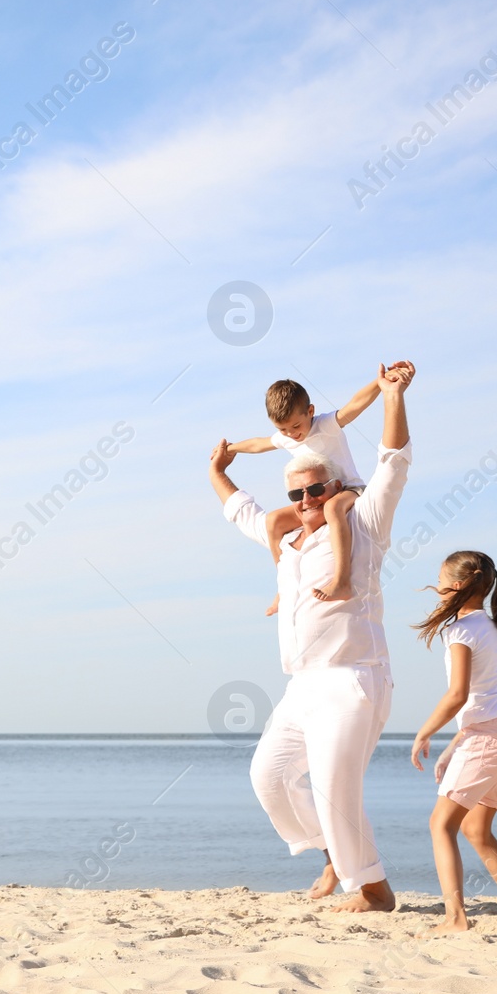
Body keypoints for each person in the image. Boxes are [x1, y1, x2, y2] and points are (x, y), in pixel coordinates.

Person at [209, 361, 414, 912]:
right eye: (297, 495)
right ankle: (330, 853)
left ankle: (371, 890)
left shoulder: (362, 526)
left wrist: (392, 395)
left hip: (354, 678)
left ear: (336, 487)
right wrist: (218, 472)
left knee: (332, 785)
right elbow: (245, 513)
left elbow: (392, 465)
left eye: (317, 491)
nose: (307, 502)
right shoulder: (292, 544)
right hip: (301, 687)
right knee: (269, 778)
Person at [409, 550, 497, 933]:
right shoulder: (491, 628)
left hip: (490, 738)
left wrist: (425, 731)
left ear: (454, 586)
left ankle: (455, 919)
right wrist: (454, 747)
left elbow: (458, 695)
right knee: (476, 830)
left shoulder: (462, 630)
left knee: (441, 825)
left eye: (439, 581)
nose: (435, 589)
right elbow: (482, 701)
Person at [225, 372, 409, 610]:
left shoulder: (325, 425)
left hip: (348, 490)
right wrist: (230, 448)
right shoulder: (287, 438)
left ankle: (341, 581)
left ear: (310, 412)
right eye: (282, 429)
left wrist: (379, 383)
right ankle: (285, 586)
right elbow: (257, 444)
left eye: (296, 426)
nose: (292, 434)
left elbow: (354, 405)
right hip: (313, 499)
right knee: (273, 521)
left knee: (333, 508)